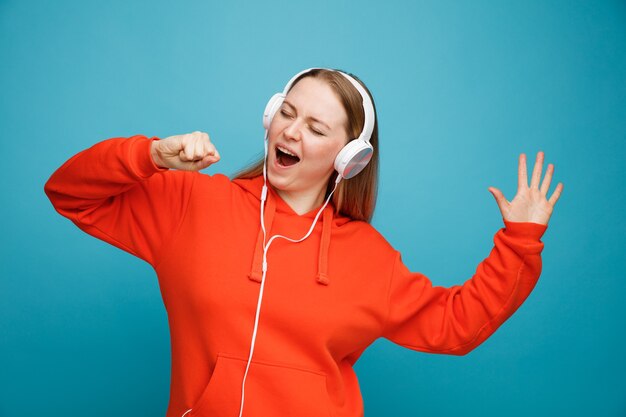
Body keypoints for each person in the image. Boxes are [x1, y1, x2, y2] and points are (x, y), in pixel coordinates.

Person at [44, 67, 563, 417]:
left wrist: (520, 242)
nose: (292, 133)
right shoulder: (191, 205)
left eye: (316, 127)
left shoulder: (367, 258)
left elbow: (456, 325)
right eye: (288, 114)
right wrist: (151, 156)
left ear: (348, 157)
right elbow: (69, 193)